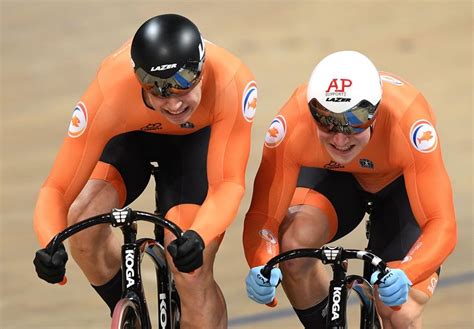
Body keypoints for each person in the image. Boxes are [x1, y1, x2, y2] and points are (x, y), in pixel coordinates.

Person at [33, 14, 257, 328]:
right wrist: (49, 243)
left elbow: (229, 185)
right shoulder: (109, 89)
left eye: (183, 83)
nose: (174, 102)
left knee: (191, 272)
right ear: (137, 78)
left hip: (194, 147)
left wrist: (198, 236)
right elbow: (57, 187)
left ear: (202, 70)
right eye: (157, 88)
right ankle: (131, 316)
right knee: (82, 221)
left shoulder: (232, 80)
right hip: (132, 139)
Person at [243, 50, 456, 328]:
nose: (341, 138)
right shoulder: (291, 121)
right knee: (294, 248)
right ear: (312, 110)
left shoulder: (409, 122)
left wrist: (409, 271)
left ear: (376, 112)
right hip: (334, 177)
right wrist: (262, 262)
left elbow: (441, 223)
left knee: (399, 311)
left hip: (397, 186)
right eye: (326, 121)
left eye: (355, 121)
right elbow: (264, 214)